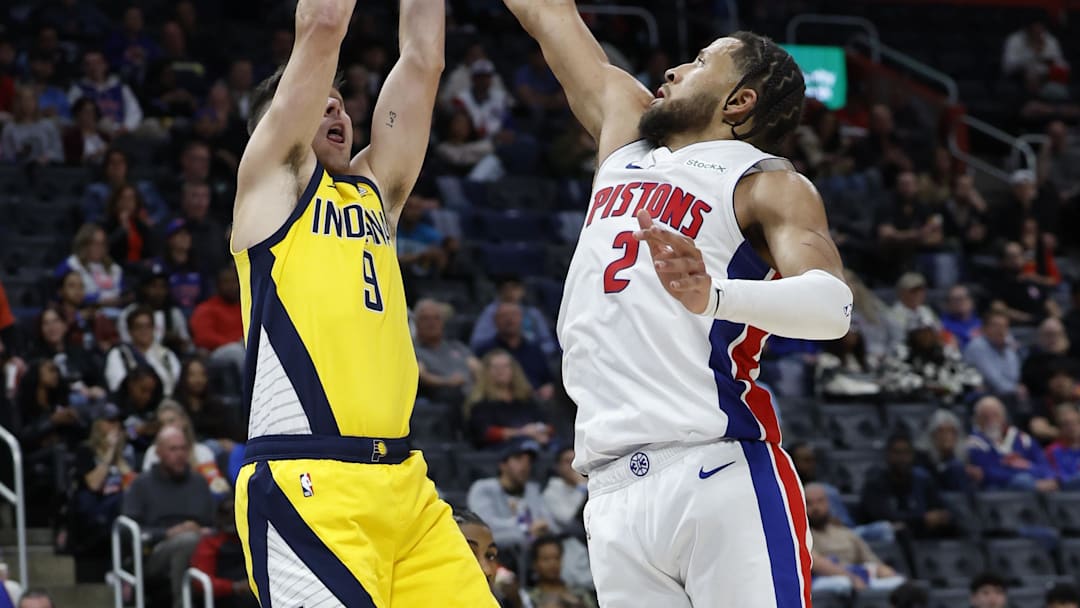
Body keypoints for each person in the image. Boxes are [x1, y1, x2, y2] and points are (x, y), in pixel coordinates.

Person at [502, 3, 852, 604]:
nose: (674, 69)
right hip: (610, 488)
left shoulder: (766, 181)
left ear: (739, 101)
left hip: (716, 468)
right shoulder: (625, 135)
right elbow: (545, 14)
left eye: (699, 62)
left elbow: (832, 308)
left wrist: (714, 296)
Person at [229, 0, 495, 605]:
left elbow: (424, 63)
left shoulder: (376, 194)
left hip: (406, 484)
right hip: (308, 480)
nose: (335, 106)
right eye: (319, 97)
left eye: (341, 102)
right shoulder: (269, 188)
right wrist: (312, 66)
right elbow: (322, 25)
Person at [122, 425, 215, 608]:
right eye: (173, 449)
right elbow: (129, 531)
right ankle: (182, 604)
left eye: (183, 448)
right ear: (158, 452)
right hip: (154, 553)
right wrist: (168, 533)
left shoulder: (199, 482)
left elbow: (212, 523)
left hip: (200, 544)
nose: (179, 454)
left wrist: (202, 530)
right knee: (186, 540)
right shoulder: (142, 484)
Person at [806, 484, 905, 595]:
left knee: (898, 583)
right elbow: (818, 564)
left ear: (828, 503)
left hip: (858, 576)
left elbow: (870, 560)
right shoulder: (803, 537)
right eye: (809, 503)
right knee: (843, 584)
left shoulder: (845, 532)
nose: (815, 508)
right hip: (826, 579)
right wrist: (852, 578)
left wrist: (886, 572)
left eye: (820, 501)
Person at [467, 438, 557, 552]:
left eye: (529, 461)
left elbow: (549, 523)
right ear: (503, 465)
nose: (525, 466)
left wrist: (542, 528)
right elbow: (484, 527)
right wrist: (526, 529)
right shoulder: (483, 488)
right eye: (518, 459)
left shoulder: (532, 490)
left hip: (533, 554)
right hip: (497, 553)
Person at [858, 434, 954, 539]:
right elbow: (885, 517)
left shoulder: (923, 481)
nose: (902, 458)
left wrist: (941, 517)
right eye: (897, 453)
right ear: (887, 455)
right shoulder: (874, 484)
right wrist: (922, 520)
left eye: (906, 453)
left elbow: (943, 509)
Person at [966, 395, 1058, 492]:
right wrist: (1031, 481)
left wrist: (1040, 475)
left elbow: (1044, 466)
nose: (991, 420)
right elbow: (987, 473)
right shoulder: (975, 443)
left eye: (995, 415)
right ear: (977, 420)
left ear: (1003, 417)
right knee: (1022, 480)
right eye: (985, 417)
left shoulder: (1023, 439)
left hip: (1031, 483)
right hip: (999, 489)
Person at [467, 350, 553, 451]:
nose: (501, 371)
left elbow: (549, 426)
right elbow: (486, 433)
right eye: (495, 367)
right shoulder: (481, 403)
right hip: (500, 450)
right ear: (486, 371)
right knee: (528, 445)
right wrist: (522, 433)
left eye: (505, 366)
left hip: (536, 442)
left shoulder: (526, 399)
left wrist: (539, 430)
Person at [189, 496, 259, 608]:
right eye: (227, 512)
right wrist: (234, 587)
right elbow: (201, 584)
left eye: (235, 510)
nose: (232, 516)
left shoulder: (253, 538)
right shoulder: (210, 543)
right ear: (219, 516)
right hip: (224, 596)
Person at [526, 535, 598, 608]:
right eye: (546, 559)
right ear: (535, 563)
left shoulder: (580, 593)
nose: (552, 564)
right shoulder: (529, 598)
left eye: (557, 558)